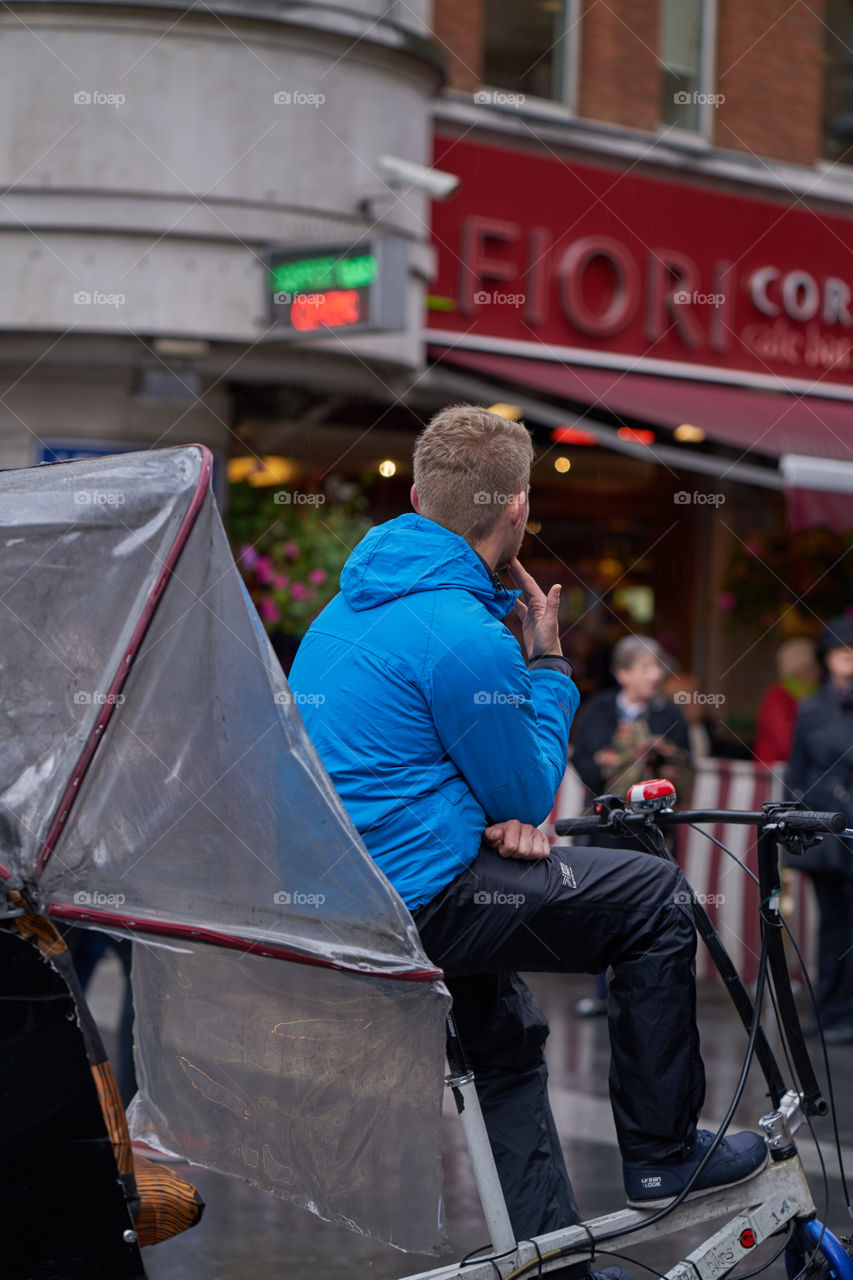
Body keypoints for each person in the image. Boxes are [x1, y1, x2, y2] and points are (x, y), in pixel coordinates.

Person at [289, 404, 767, 1278]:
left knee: (504, 1041)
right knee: (653, 898)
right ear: (515, 510)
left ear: (424, 497)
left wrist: (497, 804)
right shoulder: (464, 634)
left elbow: (472, 782)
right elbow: (526, 793)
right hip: (429, 894)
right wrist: (546, 664)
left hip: (359, 898)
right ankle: (663, 1150)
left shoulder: (341, 614)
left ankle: (552, 1261)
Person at [568, 639, 693, 1017]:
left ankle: (644, 993)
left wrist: (660, 760)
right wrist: (629, 758)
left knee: (650, 907)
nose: (655, 675)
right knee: (603, 906)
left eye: (657, 667)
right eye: (644, 667)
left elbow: (684, 771)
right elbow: (586, 763)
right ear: (622, 673)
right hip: (605, 826)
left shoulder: (669, 713)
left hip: (651, 829)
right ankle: (601, 992)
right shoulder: (599, 709)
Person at [787, 617, 853, 1043]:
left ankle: (844, 1014)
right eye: (840, 651)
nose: (847, 658)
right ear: (827, 658)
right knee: (831, 925)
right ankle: (830, 1012)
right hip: (825, 832)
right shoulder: (812, 707)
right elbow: (798, 771)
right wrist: (794, 823)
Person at [754, 637, 820, 767]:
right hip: (777, 772)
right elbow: (786, 744)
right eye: (812, 667)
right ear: (800, 671)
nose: (817, 672)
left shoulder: (816, 694)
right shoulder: (779, 696)